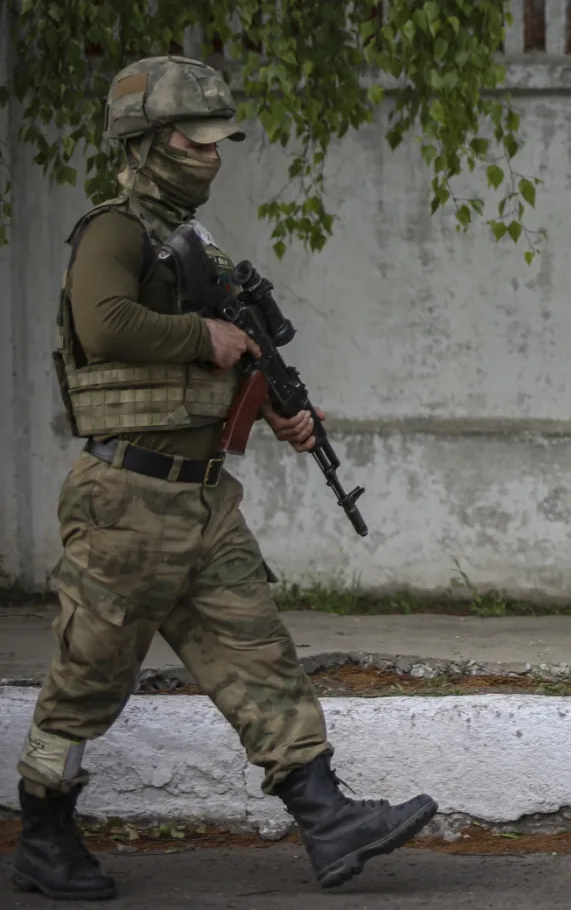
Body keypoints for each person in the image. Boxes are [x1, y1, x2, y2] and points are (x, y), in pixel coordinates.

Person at [11, 55, 438, 901]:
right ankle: (45, 834)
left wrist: (273, 406)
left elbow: (227, 353)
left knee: (260, 657)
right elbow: (102, 325)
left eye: (215, 140)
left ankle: (329, 818)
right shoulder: (114, 231)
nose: (209, 153)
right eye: (191, 137)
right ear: (145, 141)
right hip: (125, 502)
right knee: (86, 678)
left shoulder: (199, 244)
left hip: (203, 500)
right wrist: (203, 338)